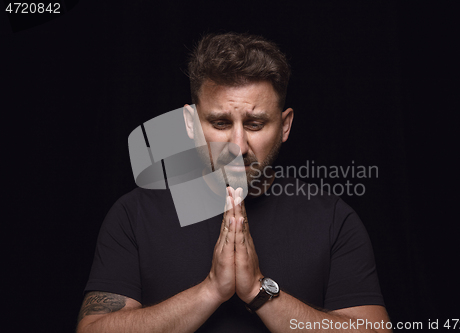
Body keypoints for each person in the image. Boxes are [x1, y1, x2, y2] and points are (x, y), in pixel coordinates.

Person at [76, 32, 392, 332]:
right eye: (220, 123)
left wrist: (259, 292)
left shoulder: (333, 220)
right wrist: (212, 290)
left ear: (285, 126)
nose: (237, 146)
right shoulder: (135, 215)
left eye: (255, 124)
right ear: (190, 123)